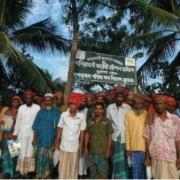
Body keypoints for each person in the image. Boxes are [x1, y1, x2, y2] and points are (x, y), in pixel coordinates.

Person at [143, 94, 180, 179]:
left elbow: (178, 139)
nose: (159, 106)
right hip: (156, 158)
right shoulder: (150, 119)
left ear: (166, 104)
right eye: (157, 104)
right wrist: (147, 157)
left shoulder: (175, 119)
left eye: (161, 103)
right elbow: (147, 138)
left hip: (171, 158)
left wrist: (179, 157)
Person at [54, 94, 86, 179]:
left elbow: (82, 131)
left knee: (73, 167)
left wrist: (81, 145)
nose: (72, 106)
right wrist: (57, 142)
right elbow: (59, 128)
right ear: (69, 104)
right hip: (64, 145)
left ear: (77, 105)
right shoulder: (63, 115)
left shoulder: (81, 117)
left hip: (75, 146)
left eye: (74, 104)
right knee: (63, 167)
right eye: (71, 104)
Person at [13, 90, 40, 178]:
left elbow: (38, 122)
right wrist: (15, 133)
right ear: (25, 99)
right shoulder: (21, 108)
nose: (28, 100)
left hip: (32, 133)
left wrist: (37, 136)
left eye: (30, 98)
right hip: (22, 133)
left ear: (32, 99)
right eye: (27, 98)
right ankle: (22, 172)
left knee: (30, 152)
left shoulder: (37, 107)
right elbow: (18, 121)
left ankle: (28, 172)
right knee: (21, 152)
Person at [106, 86, 131, 179]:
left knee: (125, 162)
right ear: (115, 97)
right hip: (114, 139)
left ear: (123, 97)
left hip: (125, 139)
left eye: (121, 97)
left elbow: (130, 124)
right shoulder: (109, 108)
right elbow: (108, 125)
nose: (119, 98)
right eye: (118, 96)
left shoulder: (128, 108)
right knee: (115, 162)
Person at [85, 102, 113, 179]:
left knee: (103, 174)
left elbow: (110, 136)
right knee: (93, 174)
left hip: (102, 152)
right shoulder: (90, 121)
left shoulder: (107, 121)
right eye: (96, 109)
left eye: (100, 109)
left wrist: (108, 150)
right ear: (94, 110)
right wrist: (86, 148)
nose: (98, 110)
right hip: (92, 151)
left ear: (103, 111)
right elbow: (87, 134)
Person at [125, 93, 147, 179]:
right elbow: (127, 132)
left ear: (143, 104)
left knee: (145, 173)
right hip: (133, 149)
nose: (138, 106)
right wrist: (128, 148)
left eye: (140, 104)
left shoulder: (147, 115)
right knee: (135, 172)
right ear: (133, 104)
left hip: (145, 149)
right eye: (136, 104)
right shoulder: (129, 115)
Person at [0, 95, 21, 179]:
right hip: (6, 135)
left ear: (19, 103)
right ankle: (6, 173)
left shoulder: (20, 112)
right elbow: (4, 125)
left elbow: (21, 125)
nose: (15, 103)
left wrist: (12, 126)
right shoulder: (7, 111)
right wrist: (5, 124)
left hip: (15, 137)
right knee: (6, 155)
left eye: (17, 102)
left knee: (14, 156)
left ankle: (14, 174)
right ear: (11, 102)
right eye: (14, 102)